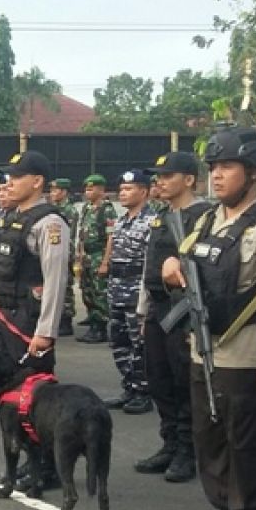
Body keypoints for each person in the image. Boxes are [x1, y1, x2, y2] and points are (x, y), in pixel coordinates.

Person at [170, 126, 256, 510]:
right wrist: (173, 265)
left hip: (246, 357)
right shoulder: (208, 220)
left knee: (246, 446)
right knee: (210, 441)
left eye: (227, 167)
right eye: (213, 167)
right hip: (204, 351)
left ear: (253, 172)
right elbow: (187, 263)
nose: (216, 175)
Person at [0, 151, 70, 487]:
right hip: (7, 317)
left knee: (39, 399)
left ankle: (49, 468)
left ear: (37, 182)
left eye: (17, 177)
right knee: (16, 396)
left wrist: (45, 332)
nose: (9, 183)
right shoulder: (12, 217)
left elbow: (55, 281)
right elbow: (4, 263)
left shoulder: (49, 224)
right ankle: (32, 461)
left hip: (29, 323)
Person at [135, 151, 209, 483]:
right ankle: (170, 443)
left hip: (184, 311)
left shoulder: (204, 216)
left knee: (184, 382)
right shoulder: (161, 216)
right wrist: (142, 310)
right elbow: (149, 269)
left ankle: (187, 451)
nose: (160, 182)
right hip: (158, 308)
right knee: (159, 379)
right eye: (158, 177)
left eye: (168, 176)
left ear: (189, 179)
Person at [102, 169, 155, 415]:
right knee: (119, 341)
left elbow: (150, 262)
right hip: (117, 288)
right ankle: (129, 387)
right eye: (121, 189)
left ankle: (143, 391)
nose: (123, 193)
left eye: (129, 189)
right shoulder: (122, 220)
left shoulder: (152, 221)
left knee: (139, 344)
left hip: (137, 289)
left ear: (143, 191)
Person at [76, 175, 118, 344]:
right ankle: (92, 320)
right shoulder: (87, 207)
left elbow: (111, 237)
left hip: (98, 255)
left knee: (99, 292)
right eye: (86, 189)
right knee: (87, 291)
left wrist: (105, 262)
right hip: (87, 256)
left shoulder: (107, 209)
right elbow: (82, 233)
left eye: (91, 189)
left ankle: (100, 327)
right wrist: (79, 254)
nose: (88, 192)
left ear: (101, 190)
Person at [49, 177, 79, 336]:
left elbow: (68, 233)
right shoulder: (54, 208)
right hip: (55, 250)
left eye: (55, 190)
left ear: (64, 192)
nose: (52, 193)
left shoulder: (69, 210)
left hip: (65, 250)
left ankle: (66, 320)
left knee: (65, 285)